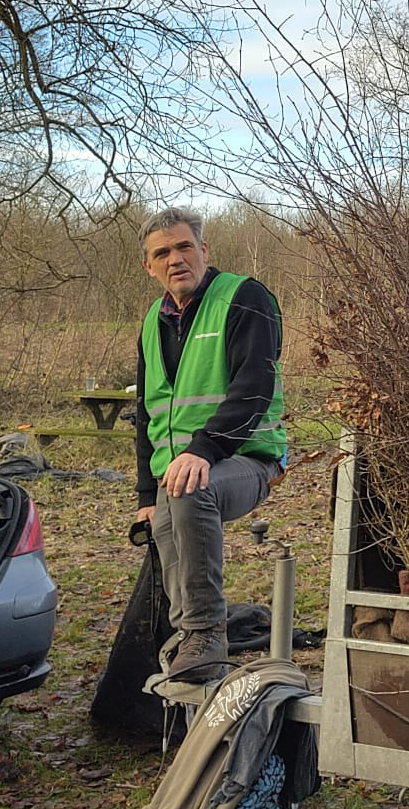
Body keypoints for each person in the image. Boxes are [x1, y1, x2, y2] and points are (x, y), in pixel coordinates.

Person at [133, 208, 287, 682]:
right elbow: (146, 413)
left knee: (188, 491)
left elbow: (254, 385)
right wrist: (145, 494)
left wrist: (204, 448)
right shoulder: (152, 322)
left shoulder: (243, 298)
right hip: (181, 468)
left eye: (184, 247)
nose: (175, 259)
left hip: (248, 458)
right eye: (163, 253)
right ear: (149, 267)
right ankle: (189, 640)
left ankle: (206, 634)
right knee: (164, 517)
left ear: (204, 249)